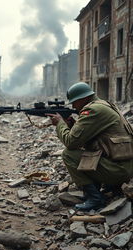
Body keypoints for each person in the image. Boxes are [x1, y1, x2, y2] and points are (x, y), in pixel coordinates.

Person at [48, 82, 133, 211]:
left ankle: (95, 198)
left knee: (68, 154)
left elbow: (71, 142)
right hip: (124, 167)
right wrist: (72, 124)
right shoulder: (104, 105)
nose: (73, 106)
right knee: (84, 151)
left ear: (83, 99)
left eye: (74, 102)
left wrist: (60, 123)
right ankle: (103, 190)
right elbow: (87, 138)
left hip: (118, 171)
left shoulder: (92, 110)